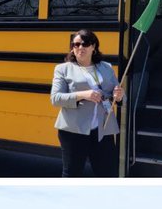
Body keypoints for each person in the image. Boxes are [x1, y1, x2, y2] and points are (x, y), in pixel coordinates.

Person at [51, 29, 124, 177]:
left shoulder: (106, 67)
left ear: (94, 47)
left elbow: (118, 95)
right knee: (72, 174)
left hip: (103, 129)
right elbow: (55, 98)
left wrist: (120, 95)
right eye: (76, 44)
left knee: (107, 174)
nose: (80, 47)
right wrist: (82, 95)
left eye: (85, 44)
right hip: (74, 131)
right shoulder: (63, 69)